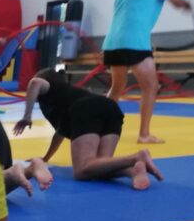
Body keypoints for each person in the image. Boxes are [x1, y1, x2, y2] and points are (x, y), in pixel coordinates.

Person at [14, 68, 163, 190]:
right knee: (99, 168)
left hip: (86, 109)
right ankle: (133, 170)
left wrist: (27, 116)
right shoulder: (64, 97)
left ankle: (136, 157)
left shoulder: (50, 87)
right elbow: (59, 133)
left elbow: (35, 82)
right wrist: (46, 158)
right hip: (110, 108)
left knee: (81, 171)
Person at [102, 0, 192, 144]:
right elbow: (176, 2)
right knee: (151, 86)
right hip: (134, 42)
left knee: (116, 88)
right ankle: (144, 134)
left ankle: (99, 126)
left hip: (112, 42)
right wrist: (187, 4)